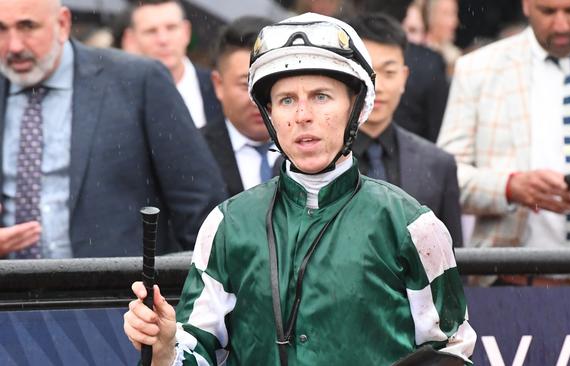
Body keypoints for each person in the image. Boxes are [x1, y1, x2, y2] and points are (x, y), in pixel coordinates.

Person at [123, 12, 475, 365]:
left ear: (355, 106)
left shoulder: (412, 225)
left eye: (321, 96)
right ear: (270, 113)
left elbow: (451, 353)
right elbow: (194, 351)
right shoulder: (226, 225)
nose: (302, 115)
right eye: (287, 100)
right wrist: (167, 346)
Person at [0, 0, 227, 258]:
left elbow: (199, 206)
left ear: (62, 23)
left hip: (116, 292)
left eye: (27, 26)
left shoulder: (137, 81)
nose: (14, 45)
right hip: (9, 293)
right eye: (1, 29)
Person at [437, 0, 570, 286]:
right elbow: (445, 177)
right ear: (525, 5)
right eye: (547, 11)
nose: (561, 24)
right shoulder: (478, 69)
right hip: (513, 284)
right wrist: (509, 187)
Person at [348, 13, 463, 247]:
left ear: (404, 78)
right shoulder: (313, 160)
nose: (376, 87)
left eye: (389, 73)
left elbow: (453, 265)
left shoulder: (438, 164)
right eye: (366, 73)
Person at [202, 16, 281, 197]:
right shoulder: (193, 152)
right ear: (218, 85)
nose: (258, 99)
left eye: (268, 84)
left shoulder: (314, 148)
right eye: (246, 85)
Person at [123, 0, 223, 129]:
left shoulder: (219, 87)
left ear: (187, 32)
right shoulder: (120, 97)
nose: (163, 40)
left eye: (171, 28)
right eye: (151, 31)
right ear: (131, 39)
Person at [423, 0, 460, 75]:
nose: (454, 22)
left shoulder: (455, 55)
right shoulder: (419, 54)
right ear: (430, 16)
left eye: (454, 14)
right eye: (446, 14)